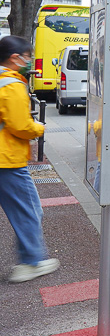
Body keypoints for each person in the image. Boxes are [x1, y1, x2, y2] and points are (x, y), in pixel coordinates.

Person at [0, 35, 59, 283]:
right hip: (7, 160)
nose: (29, 62)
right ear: (15, 58)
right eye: (27, 57)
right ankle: (31, 262)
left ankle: (30, 259)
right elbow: (20, 126)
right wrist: (38, 128)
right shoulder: (11, 85)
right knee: (29, 210)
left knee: (25, 209)